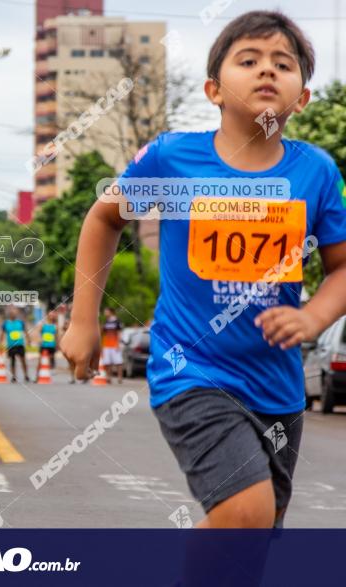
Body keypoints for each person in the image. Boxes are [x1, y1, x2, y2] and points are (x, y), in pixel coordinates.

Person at [60, 11, 346, 529]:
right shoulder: (172, 159)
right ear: (214, 90)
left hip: (277, 388)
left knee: (258, 532)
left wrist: (313, 320)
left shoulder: (317, 171)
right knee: (245, 512)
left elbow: (341, 267)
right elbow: (104, 218)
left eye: (283, 64)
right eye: (249, 60)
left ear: (301, 97)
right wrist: (84, 320)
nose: (267, 71)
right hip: (191, 372)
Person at [0, 306, 30, 383]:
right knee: (12, 361)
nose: (13, 313)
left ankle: (26, 375)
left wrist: (28, 340)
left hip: (20, 344)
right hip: (11, 345)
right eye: (11, 312)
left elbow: (26, 332)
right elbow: (2, 334)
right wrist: (0, 344)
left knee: (23, 360)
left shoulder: (20, 322)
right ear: (9, 314)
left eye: (14, 312)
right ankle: (14, 376)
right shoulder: (6, 323)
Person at [33, 308, 58, 381]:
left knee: (51, 361)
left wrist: (57, 345)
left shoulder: (55, 326)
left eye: (53, 315)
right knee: (40, 362)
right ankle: (37, 377)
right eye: (50, 315)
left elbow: (56, 336)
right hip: (44, 345)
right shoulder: (43, 324)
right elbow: (38, 333)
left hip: (52, 345)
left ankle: (47, 375)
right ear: (47, 316)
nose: (52, 316)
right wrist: (39, 340)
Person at [100, 307, 124, 384]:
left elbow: (119, 332)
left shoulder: (117, 321)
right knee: (107, 362)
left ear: (111, 312)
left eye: (106, 311)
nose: (105, 313)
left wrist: (118, 343)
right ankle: (108, 377)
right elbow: (102, 333)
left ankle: (120, 378)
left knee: (118, 362)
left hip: (115, 345)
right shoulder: (106, 321)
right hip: (106, 345)